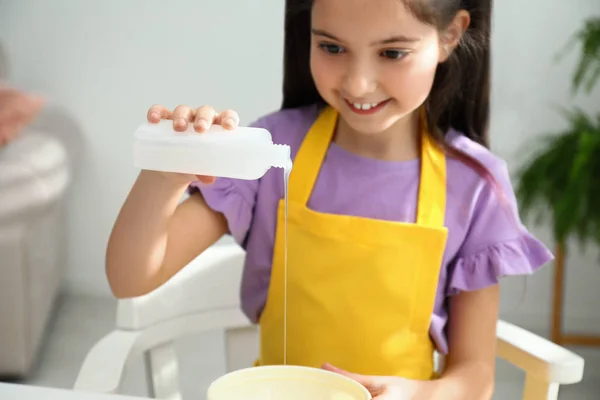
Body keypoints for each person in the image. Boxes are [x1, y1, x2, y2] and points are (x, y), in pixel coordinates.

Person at [106, 0, 554, 398]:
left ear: (449, 36)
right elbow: (130, 279)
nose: (358, 84)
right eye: (332, 47)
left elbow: (474, 375)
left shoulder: (475, 186)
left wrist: (415, 394)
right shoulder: (275, 148)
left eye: (392, 53)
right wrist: (167, 171)